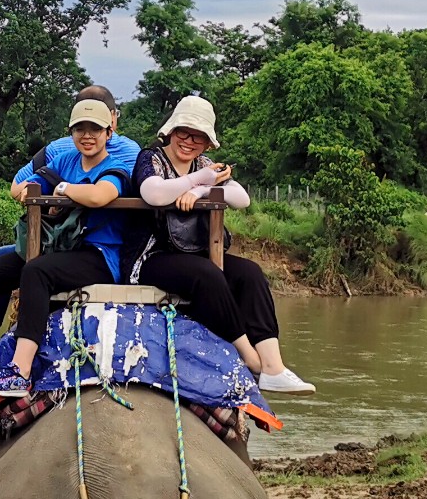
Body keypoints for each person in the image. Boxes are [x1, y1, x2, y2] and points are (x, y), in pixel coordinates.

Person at [0, 95, 135, 398]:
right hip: (60, 247)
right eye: (80, 129)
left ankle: (19, 372)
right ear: (71, 132)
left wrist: (62, 190)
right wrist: (31, 192)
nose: (87, 136)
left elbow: (101, 195)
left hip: (98, 254)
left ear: (108, 133)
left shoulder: (115, 167)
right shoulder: (65, 160)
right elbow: (24, 186)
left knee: (35, 272)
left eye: (95, 129)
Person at [126, 95, 315, 394]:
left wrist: (202, 190)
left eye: (198, 137)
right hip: (153, 257)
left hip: (196, 252)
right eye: (183, 133)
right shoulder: (151, 158)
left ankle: (274, 366)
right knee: (207, 274)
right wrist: (203, 179)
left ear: (208, 143)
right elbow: (154, 194)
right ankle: (251, 359)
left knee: (250, 273)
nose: (189, 142)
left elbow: (242, 198)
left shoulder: (204, 165)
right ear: (171, 131)